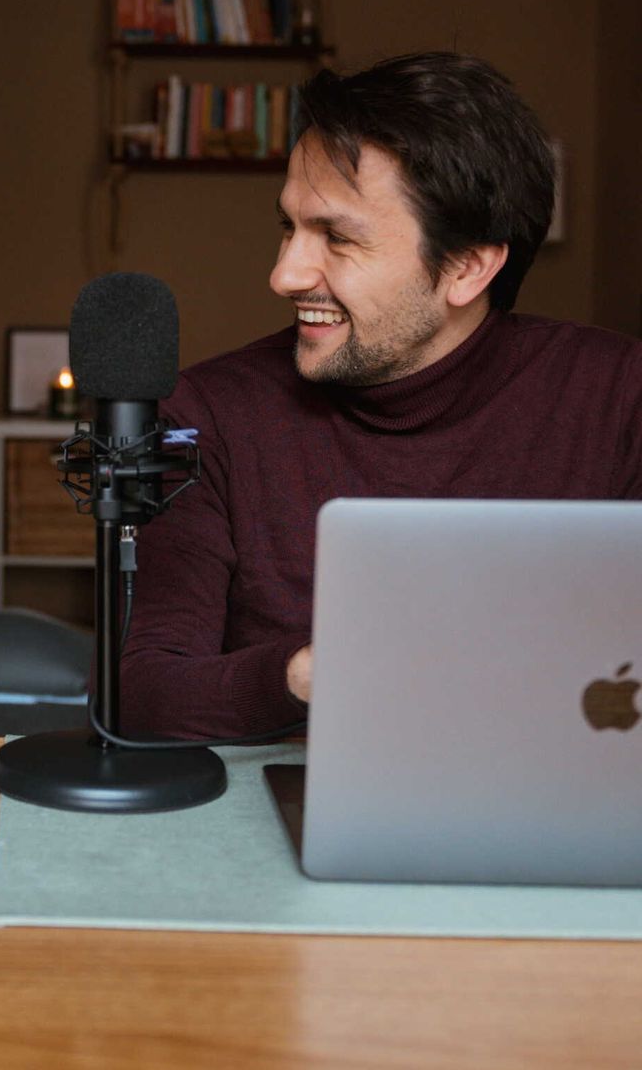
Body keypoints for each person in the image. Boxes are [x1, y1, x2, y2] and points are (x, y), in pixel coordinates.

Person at [123, 51, 642, 740]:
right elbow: (138, 694)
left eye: (337, 237)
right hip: (296, 791)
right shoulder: (206, 414)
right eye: (289, 227)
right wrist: (311, 676)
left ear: (467, 267)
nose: (284, 274)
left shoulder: (620, 397)